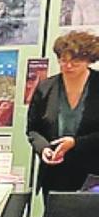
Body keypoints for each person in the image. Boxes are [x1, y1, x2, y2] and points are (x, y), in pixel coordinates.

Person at [26, 30, 99, 195]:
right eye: (63, 60)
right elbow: (33, 129)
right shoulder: (45, 88)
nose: (68, 66)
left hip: (94, 173)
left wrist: (75, 143)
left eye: (75, 61)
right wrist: (43, 148)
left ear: (89, 60)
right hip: (55, 173)